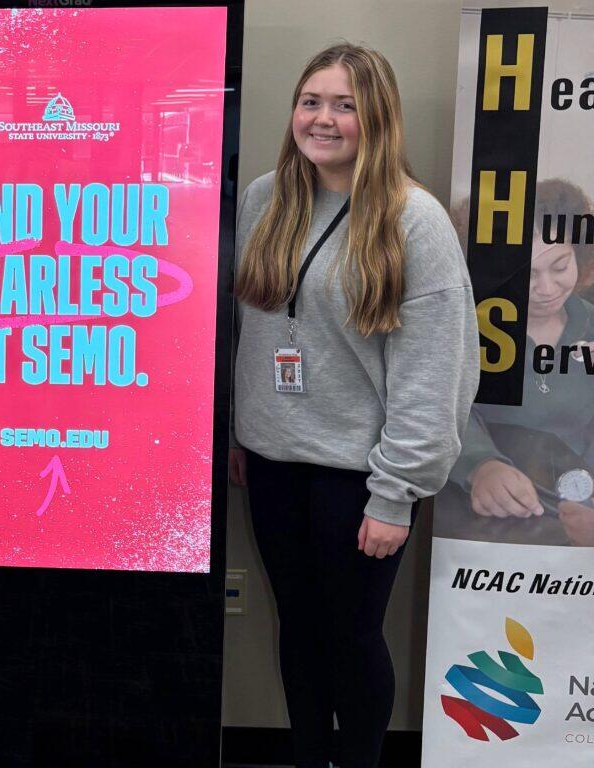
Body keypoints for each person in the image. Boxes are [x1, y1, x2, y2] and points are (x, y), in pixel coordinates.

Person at [228, 44, 480, 767]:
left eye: (345, 105)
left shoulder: (413, 220)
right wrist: (244, 434)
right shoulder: (263, 199)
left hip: (361, 477)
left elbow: (437, 373)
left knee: (351, 635)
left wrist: (396, 494)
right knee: (297, 629)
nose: (324, 119)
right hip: (274, 465)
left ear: (377, 118)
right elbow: (253, 332)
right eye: (312, 101)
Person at [441, 179, 594, 546]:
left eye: (560, 266)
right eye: (525, 274)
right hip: (485, 523)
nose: (546, 289)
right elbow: (444, 404)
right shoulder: (468, 325)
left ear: (580, 255)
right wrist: (480, 466)